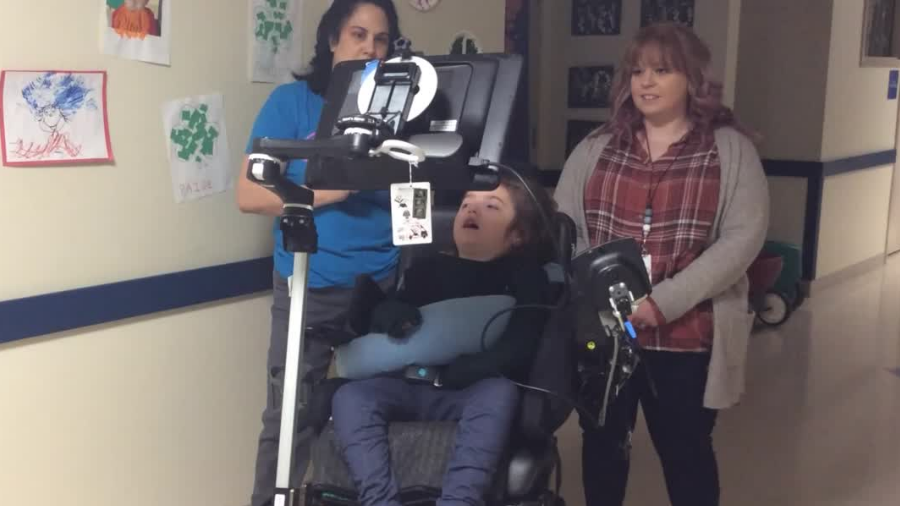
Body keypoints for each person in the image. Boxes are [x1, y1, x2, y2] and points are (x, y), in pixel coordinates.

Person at [554, 23, 769, 506]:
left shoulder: (729, 150)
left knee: (686, 450)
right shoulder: (596, 147)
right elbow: (567, 230)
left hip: (686, 335)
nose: (645, 82)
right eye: (636, 71)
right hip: (605, 333)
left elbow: (740, 242)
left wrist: (663, 302)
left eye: (662, 70)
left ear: (693, 79)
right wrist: (592, 298)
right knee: (604, 445)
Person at [235, 2, 402, 506]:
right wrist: (331, 189)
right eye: (357, 34)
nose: (369, 48)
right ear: (332, 39)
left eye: (381, 39)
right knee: (289, 417)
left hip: (383, 285)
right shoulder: (292, 103)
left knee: (381, 416)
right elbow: (249, 194)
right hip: (309, 283)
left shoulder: (399, 114)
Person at [329, 171, 557, 506]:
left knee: (499, 394)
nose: (472, 211)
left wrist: (475, 368)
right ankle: (378, 498)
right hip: (406, 384)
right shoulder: (425, 268)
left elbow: (522, 342)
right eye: (467, 203)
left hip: (469, 389)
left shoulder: (525, 276)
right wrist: (386, 315)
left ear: (518, 235)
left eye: (491, 206)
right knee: (350, 397)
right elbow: (391, 314)